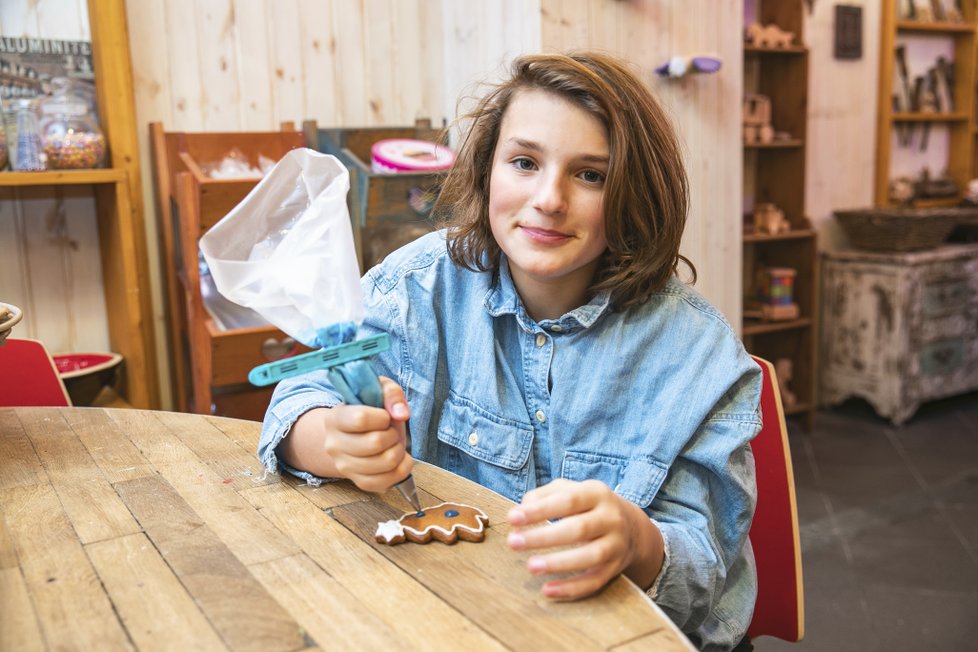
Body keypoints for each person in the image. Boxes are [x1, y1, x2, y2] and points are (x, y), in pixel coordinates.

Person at [260, 51, 761, 651]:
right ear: (486, 170)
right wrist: (328, 438)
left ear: (636, 192)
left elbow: (706, 570)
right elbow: (298, 398)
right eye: (524, 162)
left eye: (590, 174)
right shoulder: (414, 287)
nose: (549, 198)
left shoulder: (700, 358)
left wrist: (638, 544)